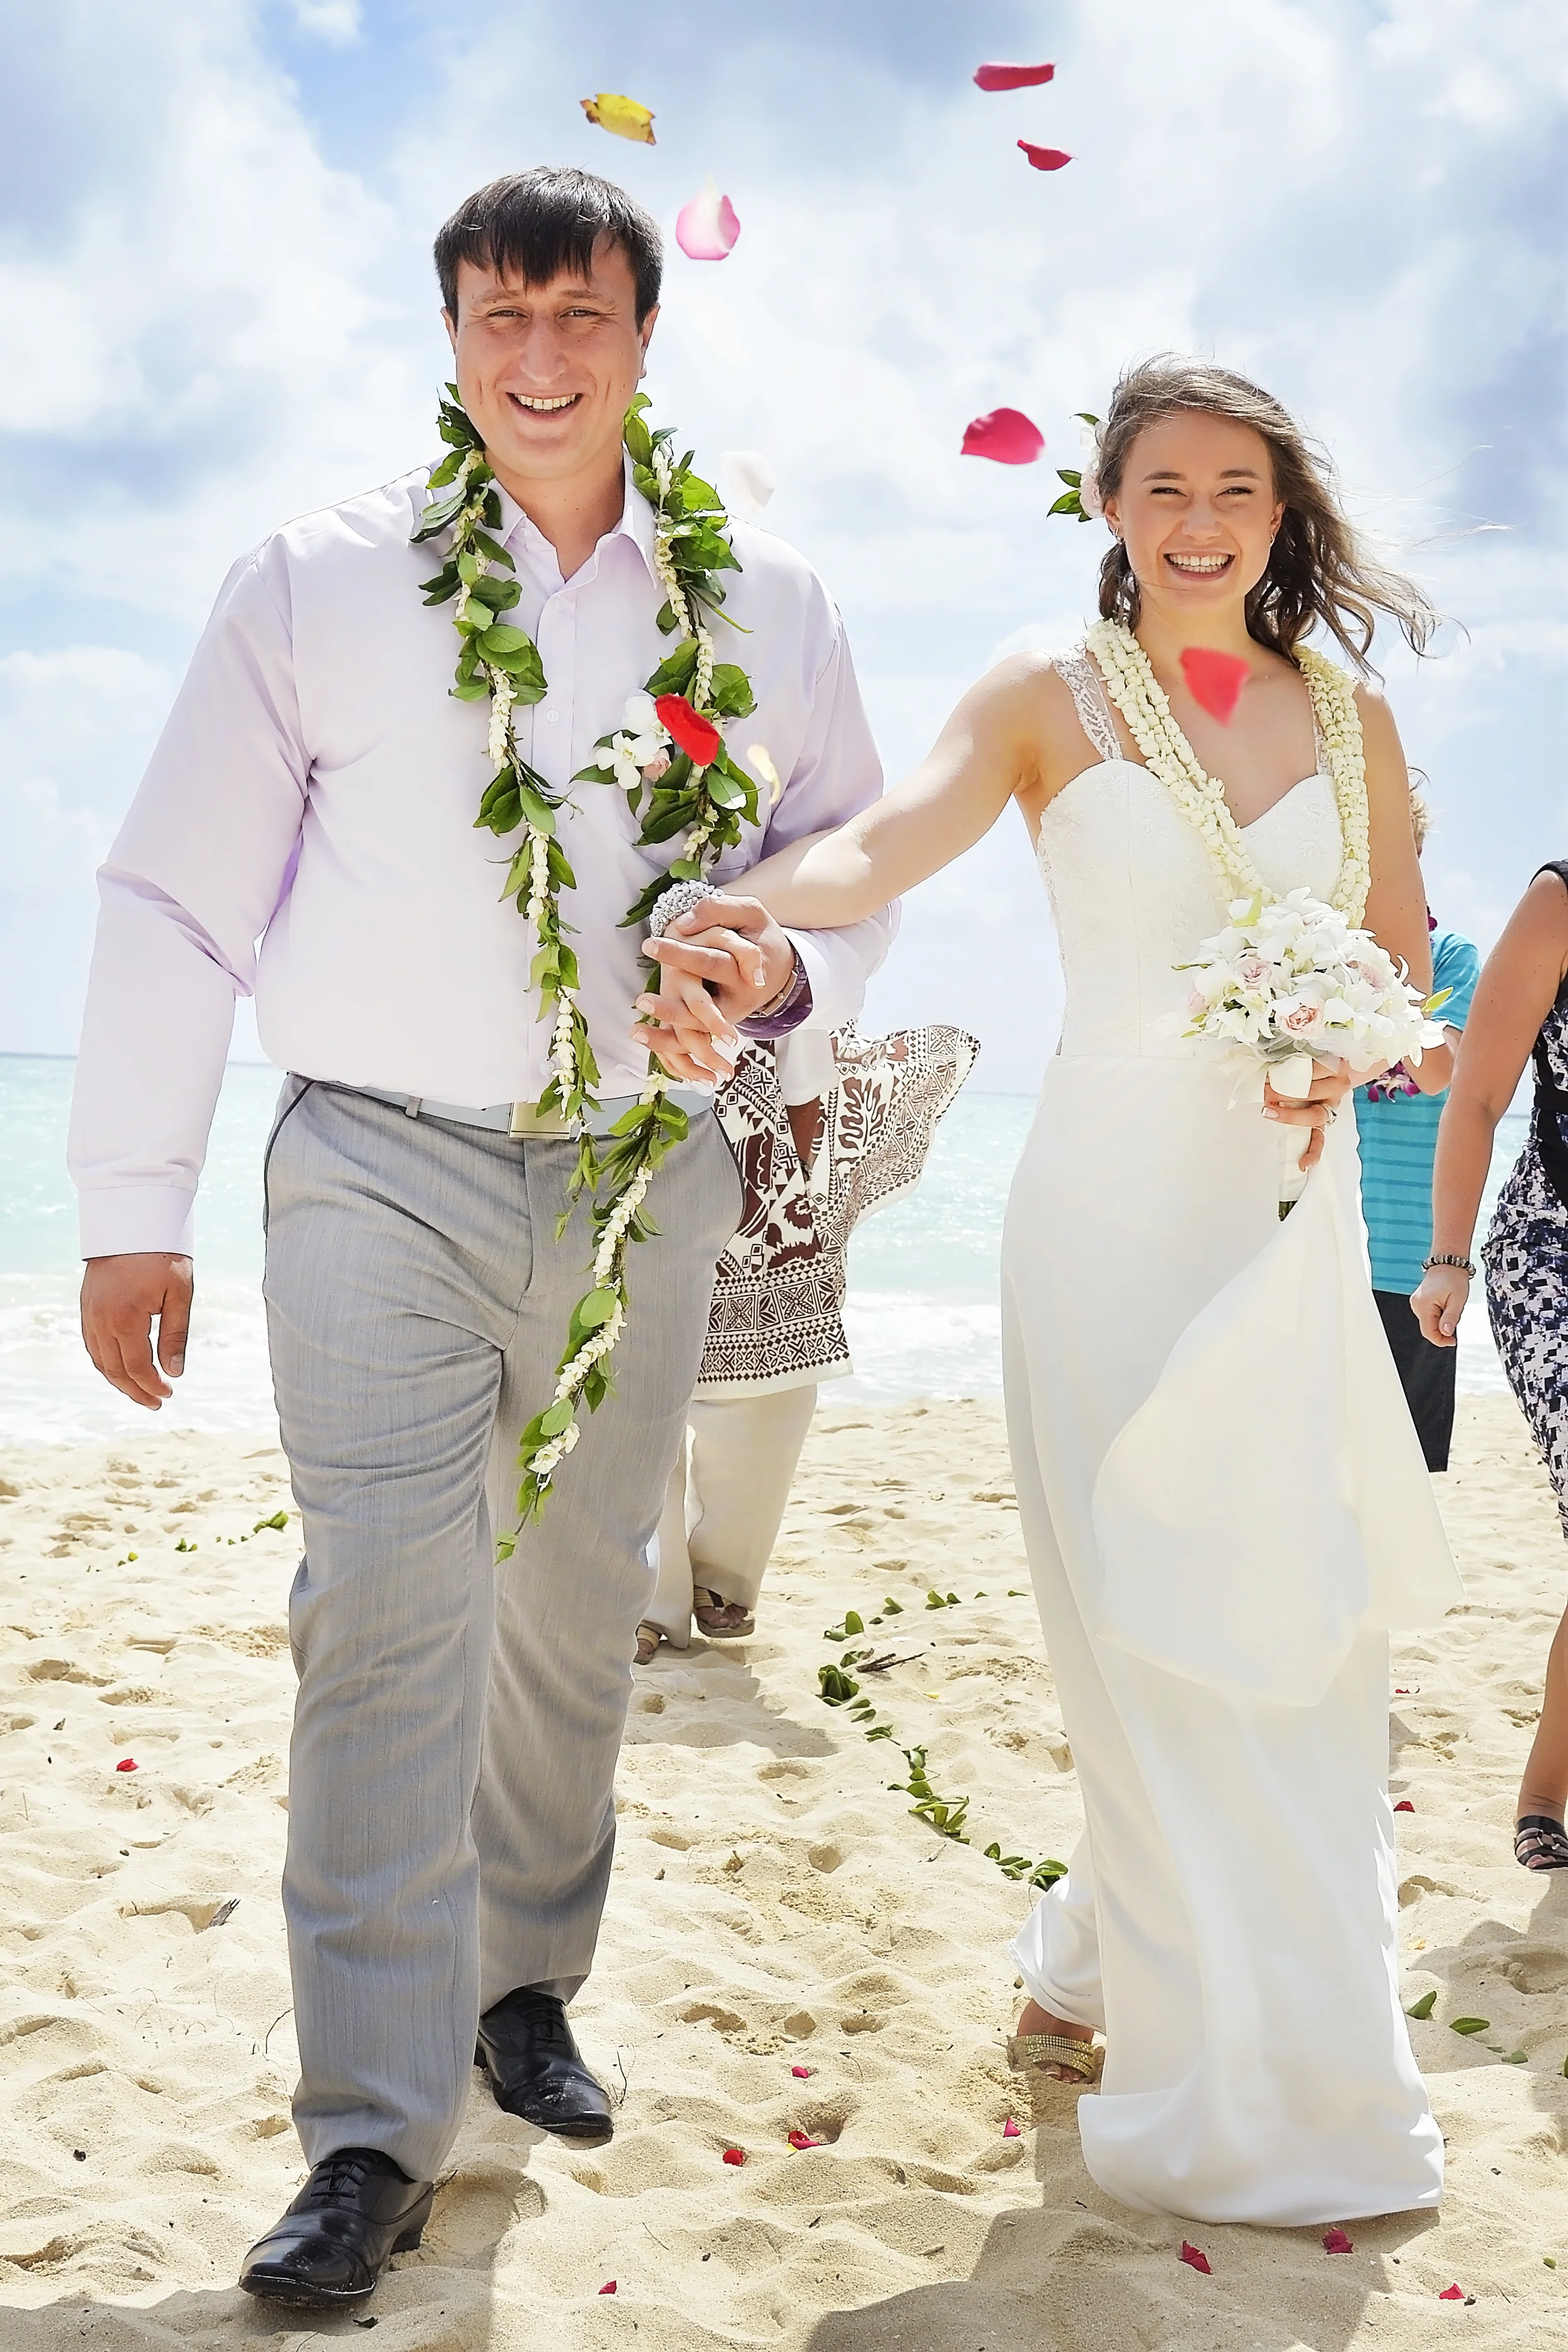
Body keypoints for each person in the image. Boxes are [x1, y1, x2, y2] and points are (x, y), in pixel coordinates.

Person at [66, 166, 892, 2308]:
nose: (541, 361)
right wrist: (131, 1210)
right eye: (500, 319)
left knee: (571, 1608)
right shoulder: (317, 582)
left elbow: (846, 856)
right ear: (448, 334)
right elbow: (175, 897)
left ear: (642, 337)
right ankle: (367, 2132)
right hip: (375, 1168)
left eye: (582, 320)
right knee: (384, 1623)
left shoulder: (770, 604)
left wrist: (777, 979)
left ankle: (528, 1975)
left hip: (647, 1176)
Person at [642, 358, 1465, 2226]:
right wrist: (768, 916)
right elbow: (885, 843)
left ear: (1277, 512)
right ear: (1103, 502)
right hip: (1104, 1207)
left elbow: (1401, 951)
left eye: (1231, 489)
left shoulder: (1352, 719)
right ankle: (1174, 2034)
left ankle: (1089, 1969)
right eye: (1159, 485)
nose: (1194, 520)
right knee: (1142, 1615)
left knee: (1295, 1617)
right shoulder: (1041, 693)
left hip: (1285, 1200)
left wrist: (1358, 1043)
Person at [641, 1020, 978, 1658]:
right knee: (631, 1383)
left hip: (764, 1088)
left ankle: (721, 1573)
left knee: (772, 1393)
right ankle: (648, 1601)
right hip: (621, 1097)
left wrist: (802, 1194)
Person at [1413, 863, 1568, 1873]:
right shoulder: (1561, 902)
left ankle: (1547, 1783)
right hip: (1551, 1254)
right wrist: (1449, 1256)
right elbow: (1475, 1097)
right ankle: (1546, 1792)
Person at [1353, 787, 1480, 1469]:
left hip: (1408, 1250)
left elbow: (1436, 1072)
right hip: (1321, 1236)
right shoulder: (1299, 959)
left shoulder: (1451, 955)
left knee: (1399, 1463)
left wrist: (1376, 964)